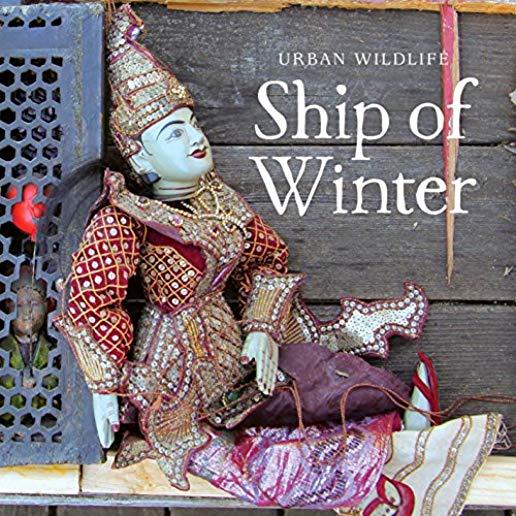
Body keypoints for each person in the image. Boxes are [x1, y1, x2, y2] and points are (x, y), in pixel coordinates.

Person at [54, 6, 504, 512]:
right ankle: (384, 472)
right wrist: (104, 383)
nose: (195, 138)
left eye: (192, 123)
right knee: (261, 469)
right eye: (174, 133)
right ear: (140, 157)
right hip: (172, 382)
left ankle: (397, 435)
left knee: (319, 387)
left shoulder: (221, 203)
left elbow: (265, 260)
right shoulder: (126, 218)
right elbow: (93, 298)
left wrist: (262, 328)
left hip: (239, 359)